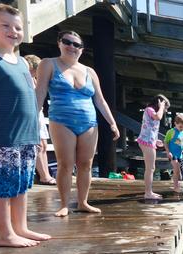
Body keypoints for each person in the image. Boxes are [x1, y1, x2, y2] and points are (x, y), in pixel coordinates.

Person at [0, 3, 51, 247]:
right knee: (2, 184)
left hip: (26, 134)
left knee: (21, 183)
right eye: (5, 25)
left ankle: (21, 227)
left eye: (18, 27)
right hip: (1, 134)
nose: (13, 31)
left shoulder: (20, 61)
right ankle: (5, 234)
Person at [35, 30, 120, 217]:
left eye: (77, 45)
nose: (72, 47)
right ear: (59, 43)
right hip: (61, 120)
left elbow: (100, 100)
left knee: (86, 164)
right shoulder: (48, 64)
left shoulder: (90, 71)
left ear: (81, 50)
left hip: (89, 122)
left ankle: (83, 202)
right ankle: (64, 204)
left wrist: (112, 124)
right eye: (68, 42)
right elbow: (40, 92)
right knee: (65, 163)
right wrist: (33, 118)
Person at [24, 54, 55, 185]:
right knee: (38, 146)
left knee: (43, 145)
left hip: (38, 114)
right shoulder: (27, 79)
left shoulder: (34, 79)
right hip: (33, 114)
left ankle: (45, 174)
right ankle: (44, 176)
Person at [136, 94, 170, 199]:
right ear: (159, 104)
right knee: (150, 168)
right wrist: (161, 107)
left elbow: (150, 127)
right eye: (165, 108)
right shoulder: (149, 109)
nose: (165, 111)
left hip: (149, 141)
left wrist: (155, 140)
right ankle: (148, 193)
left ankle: (149, 191)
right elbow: (158, 117)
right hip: (146, 142)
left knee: (150, 168)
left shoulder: (151, 111)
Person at [164, 114, 183, 193]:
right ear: (175, 124)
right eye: (180, 127)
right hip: (172, 155)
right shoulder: (171, 132)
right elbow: (166, 142)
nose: (182, 129)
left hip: (179, 155)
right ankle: (176, 187)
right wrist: (168, 152)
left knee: (180, 174)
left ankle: (176, 185)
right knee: (176, 170)